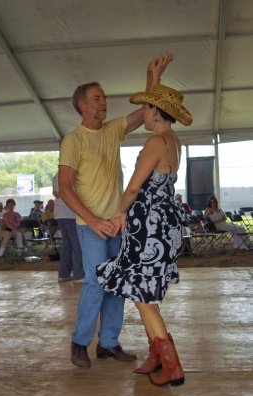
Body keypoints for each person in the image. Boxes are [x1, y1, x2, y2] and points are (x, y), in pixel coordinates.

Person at [58, 52, 173, 369]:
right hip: (90, 225)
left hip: (117, 224)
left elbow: (146, 113)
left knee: (118, 283)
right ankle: (80, 342)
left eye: (104, 97)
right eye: (97, 98)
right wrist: (93, 221)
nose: (103, 102)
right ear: (82, 104)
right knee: (96, 282)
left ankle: (108, 343)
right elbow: (64, 187)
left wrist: (154, 77)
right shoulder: (73, 140)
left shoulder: (111, 130)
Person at [96, 81, 193, 386]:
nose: (143, 115)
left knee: (142, 297)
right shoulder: (173, 140)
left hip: (146, 229)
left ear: (154, 110)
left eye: (146, 108)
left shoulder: (155, 142)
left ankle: (172, 366)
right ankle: (156, 357)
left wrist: (118, 212)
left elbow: (135, 187)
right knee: (143, 295)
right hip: (163, 226)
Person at [52, 173, 84, 282]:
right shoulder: (70, 174)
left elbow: (56, 193)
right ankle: (79, 274)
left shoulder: (56, 176)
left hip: (60, 214)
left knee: (67, 245)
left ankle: (64, 273)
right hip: (70, 213)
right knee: (76, 245)